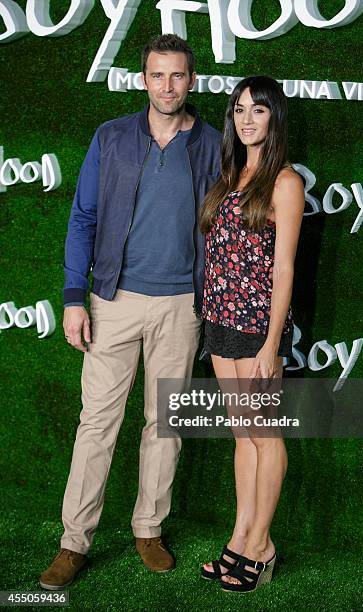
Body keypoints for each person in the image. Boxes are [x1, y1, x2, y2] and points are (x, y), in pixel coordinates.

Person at [39, 34, 221, 590]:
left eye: (178, 76)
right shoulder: (111, 137)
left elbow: (225, 227)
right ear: (144, 79)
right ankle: (74, 541)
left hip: (181, 307)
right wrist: (74, 298)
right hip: (113, 301)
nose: (167, 86)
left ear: (192, 81)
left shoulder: (213, 143)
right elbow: (82, 218)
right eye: (157, 75)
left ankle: (149, 528)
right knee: (97, 423)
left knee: (164, 426)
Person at [199, 76, 304, 593]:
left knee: (266, 435)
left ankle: (262, 546)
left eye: (258, 111)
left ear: (273, 119)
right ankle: (240, 537)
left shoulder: (285, 183)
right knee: (244, 435)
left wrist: (270, 344)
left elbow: (283, 268)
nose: (246, 119)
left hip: (257, 328)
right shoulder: (231, 174)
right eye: (239, 109)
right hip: (220, 322)